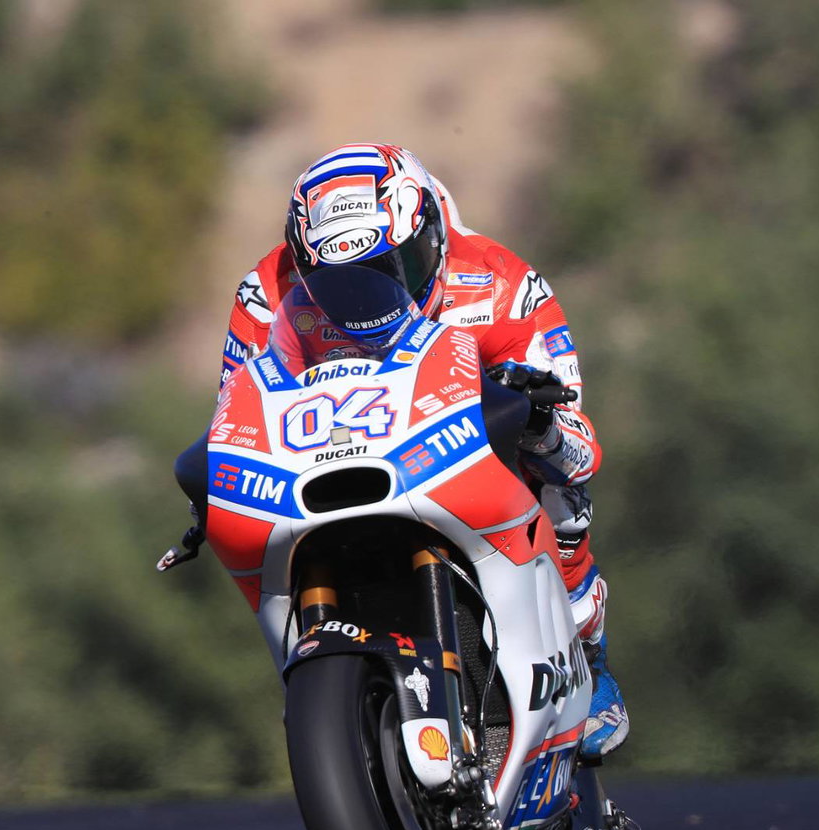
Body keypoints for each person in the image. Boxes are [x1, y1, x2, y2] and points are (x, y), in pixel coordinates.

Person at [217, 143, 628, 761]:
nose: (367, 294)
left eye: (393, 267)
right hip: (335, 451)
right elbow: (235, 406)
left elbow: (578, 444)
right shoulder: (264, 294)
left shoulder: (502, 283)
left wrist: (539, 420)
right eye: (339, 281)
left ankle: (585, 651)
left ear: (429, 236)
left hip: (458, 448)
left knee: (560, 484)